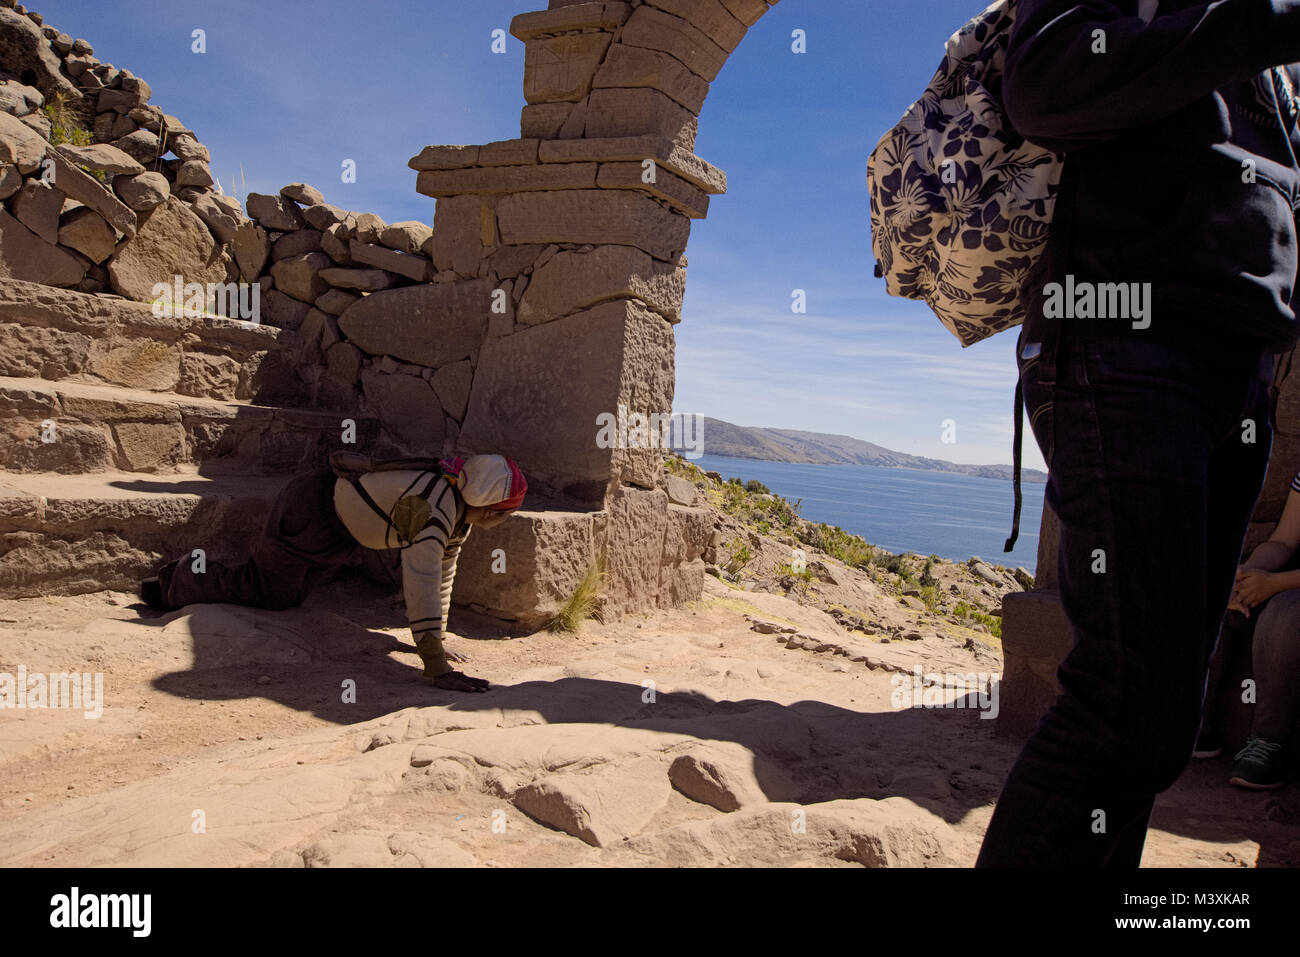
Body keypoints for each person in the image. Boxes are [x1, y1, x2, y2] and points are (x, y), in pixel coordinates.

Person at [976, 0, 1300, 866]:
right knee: (1123, 701)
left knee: (1153, 728)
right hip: (1126, 340)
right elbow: (1043, 84)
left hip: (1238, 367)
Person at [139, 454, 527, 694]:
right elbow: (422, 575)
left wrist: (436, 638)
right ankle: (180, 579)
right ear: (492, 511)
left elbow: (444, 568)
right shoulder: (433, 508)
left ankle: (190, 577)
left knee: (289, 597)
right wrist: (435, 664)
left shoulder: (458, 506)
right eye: (507, 512)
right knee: (268, 592)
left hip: (338, 529)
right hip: (312, 510)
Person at [1194, 467, 1300, 788]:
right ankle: (1195, 725)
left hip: (1290, 593)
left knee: (1283, 615)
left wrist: (1274, 585)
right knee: (1220, 598)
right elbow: (1282, 541)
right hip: (1285, 581)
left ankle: (1267, 744)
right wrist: (1247, 575)